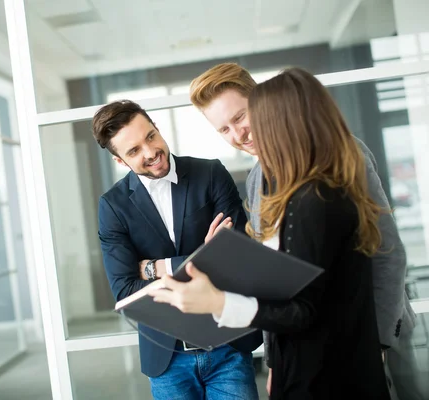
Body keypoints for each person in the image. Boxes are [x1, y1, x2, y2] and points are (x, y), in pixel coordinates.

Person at [150, 68, 391, 399]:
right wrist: (276, 360)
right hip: (302, 347)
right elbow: (283, 282)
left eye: (241, 116)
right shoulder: (258, 180)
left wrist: (377, 341)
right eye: (224, 129)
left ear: (264, 106)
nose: (239, 134)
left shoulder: (331, 170)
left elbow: (383, 253)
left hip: (357, 340)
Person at [92, 100, 262, 399]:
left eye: (150, 137)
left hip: (227, 347)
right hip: (166, 357)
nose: (150, 152)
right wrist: (205, 256)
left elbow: (238, 258)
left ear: (157, 127)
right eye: (133, 151)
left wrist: (153, 267)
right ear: (120, 161)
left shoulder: (210, 174)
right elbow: (125, 290)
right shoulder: (112, 207)